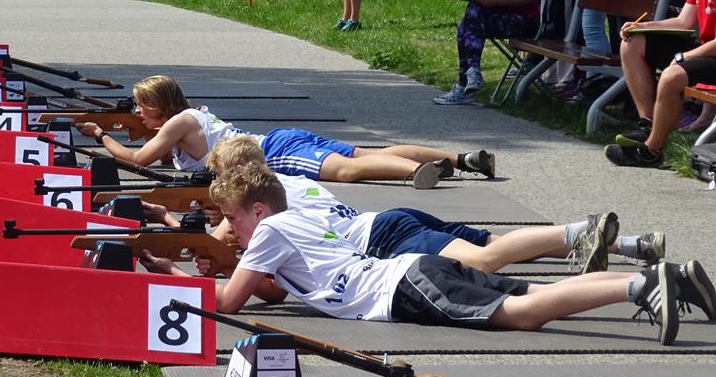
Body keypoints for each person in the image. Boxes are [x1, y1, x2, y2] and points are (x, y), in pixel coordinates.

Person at [141, 164, 716, 347]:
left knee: (524, 314)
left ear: (257, 210)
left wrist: (172, 275)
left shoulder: (267, 233)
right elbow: (277, 289)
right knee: (535, 295)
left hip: (402, 286)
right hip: (411, 271)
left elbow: (230, 304)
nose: (229, 230)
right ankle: (656, 278)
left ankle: (644, 286)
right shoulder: (290, 224)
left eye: (232, 218)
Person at [191, 136, 665, 276]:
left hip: (384, 239)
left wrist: (184, 228)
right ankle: (630, 244)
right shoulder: (290, 182)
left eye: (224, 181)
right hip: (389, 222)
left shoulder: (265, 206)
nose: (221, 190)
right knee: (500, 243)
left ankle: (580, 230)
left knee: (485, 260)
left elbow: (221, 243)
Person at [73, 74, 496, 188]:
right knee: (366, 153)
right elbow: (166, 154)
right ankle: (463, 159)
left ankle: (415, 172)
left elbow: (141, 160)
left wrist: (101, 136)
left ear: (161, 107)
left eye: (143, 108)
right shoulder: (188, 118)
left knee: (347, 171)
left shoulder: (179, 122)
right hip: (278, 141)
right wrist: (138, 129)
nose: (139, 114)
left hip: (274, 154)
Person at [605, 0, 716, 167]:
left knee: (671, 75)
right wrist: (641, 27)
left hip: (711, 54)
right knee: (632, 43)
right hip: (706, 50)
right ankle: (647, 125)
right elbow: (684, 21)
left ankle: (650, 152)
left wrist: (684, 57)